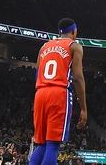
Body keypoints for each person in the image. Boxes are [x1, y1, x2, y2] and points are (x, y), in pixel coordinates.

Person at [29, 18, 87, 165]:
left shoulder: (44, 47)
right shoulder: (74, 46)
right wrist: (84, 108)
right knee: (53, 145)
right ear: (74, 31)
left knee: (42, 145)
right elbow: (78, 78)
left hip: (40, 92)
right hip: (59, 93)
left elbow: (37, 74)